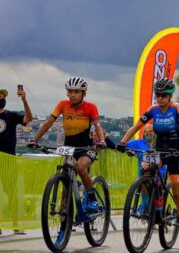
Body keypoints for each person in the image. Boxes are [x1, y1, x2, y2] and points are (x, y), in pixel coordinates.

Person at [117, 78, 179, 253]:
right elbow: (137, 126)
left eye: (163, 95)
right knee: (145, 170)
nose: (160, 98)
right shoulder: (153, 110)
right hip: (159, 150)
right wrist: (122, 142)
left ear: (170, 96)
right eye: (157, 95)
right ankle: (147, 203)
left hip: (176, 153)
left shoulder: (177, 108)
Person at [28, 77, 106, 221]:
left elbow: (98, 125)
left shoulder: (91, 107)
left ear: (83, 93)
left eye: (77, 92)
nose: (73, 94)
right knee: (66, 181)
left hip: (86, 147)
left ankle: (92, 198)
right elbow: (49, 122)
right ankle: (64, 213)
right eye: (70, 91)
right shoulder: (63, 105)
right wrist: (35, 139)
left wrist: (101, 141)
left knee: (81, 168)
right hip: (69, 146)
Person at [0, 87, 33, 235]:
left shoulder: (11, 116)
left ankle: (15, 224)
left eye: (2, 97)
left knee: (11, 193)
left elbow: (28, 118)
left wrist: (24, 100)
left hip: (9, 160)